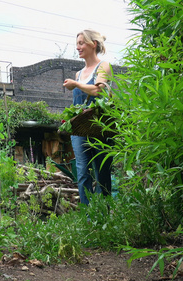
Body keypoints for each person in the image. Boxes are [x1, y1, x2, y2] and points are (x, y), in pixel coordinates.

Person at [63, 29, 113, 205]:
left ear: (94, 44)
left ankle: (103, 214)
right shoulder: (78, 73)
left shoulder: (104, 66)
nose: (78, 47)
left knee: (102, 171)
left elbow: (98, 89)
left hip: (100, 127)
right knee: (82, 171)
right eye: (77, 43)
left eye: (81, 43)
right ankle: (88, 217)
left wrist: (76, 84)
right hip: (80, 129)